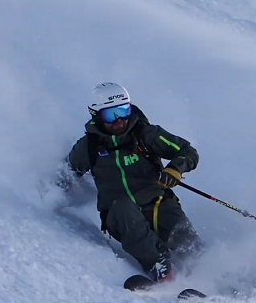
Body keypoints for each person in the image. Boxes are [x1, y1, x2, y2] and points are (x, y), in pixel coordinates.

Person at [56, 82, 202, 282]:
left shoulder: (145, 135)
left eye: (123, 111)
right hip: (119, 216)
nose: (120, 120)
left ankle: (225, 282)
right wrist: (51, 198)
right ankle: (160, 267)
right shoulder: (89, 147)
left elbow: (187, 151)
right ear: (96, 114)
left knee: (186, 240)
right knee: (124, 207)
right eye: (111, 115)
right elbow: (67, 173)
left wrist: (175, 169)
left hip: (158, 204)